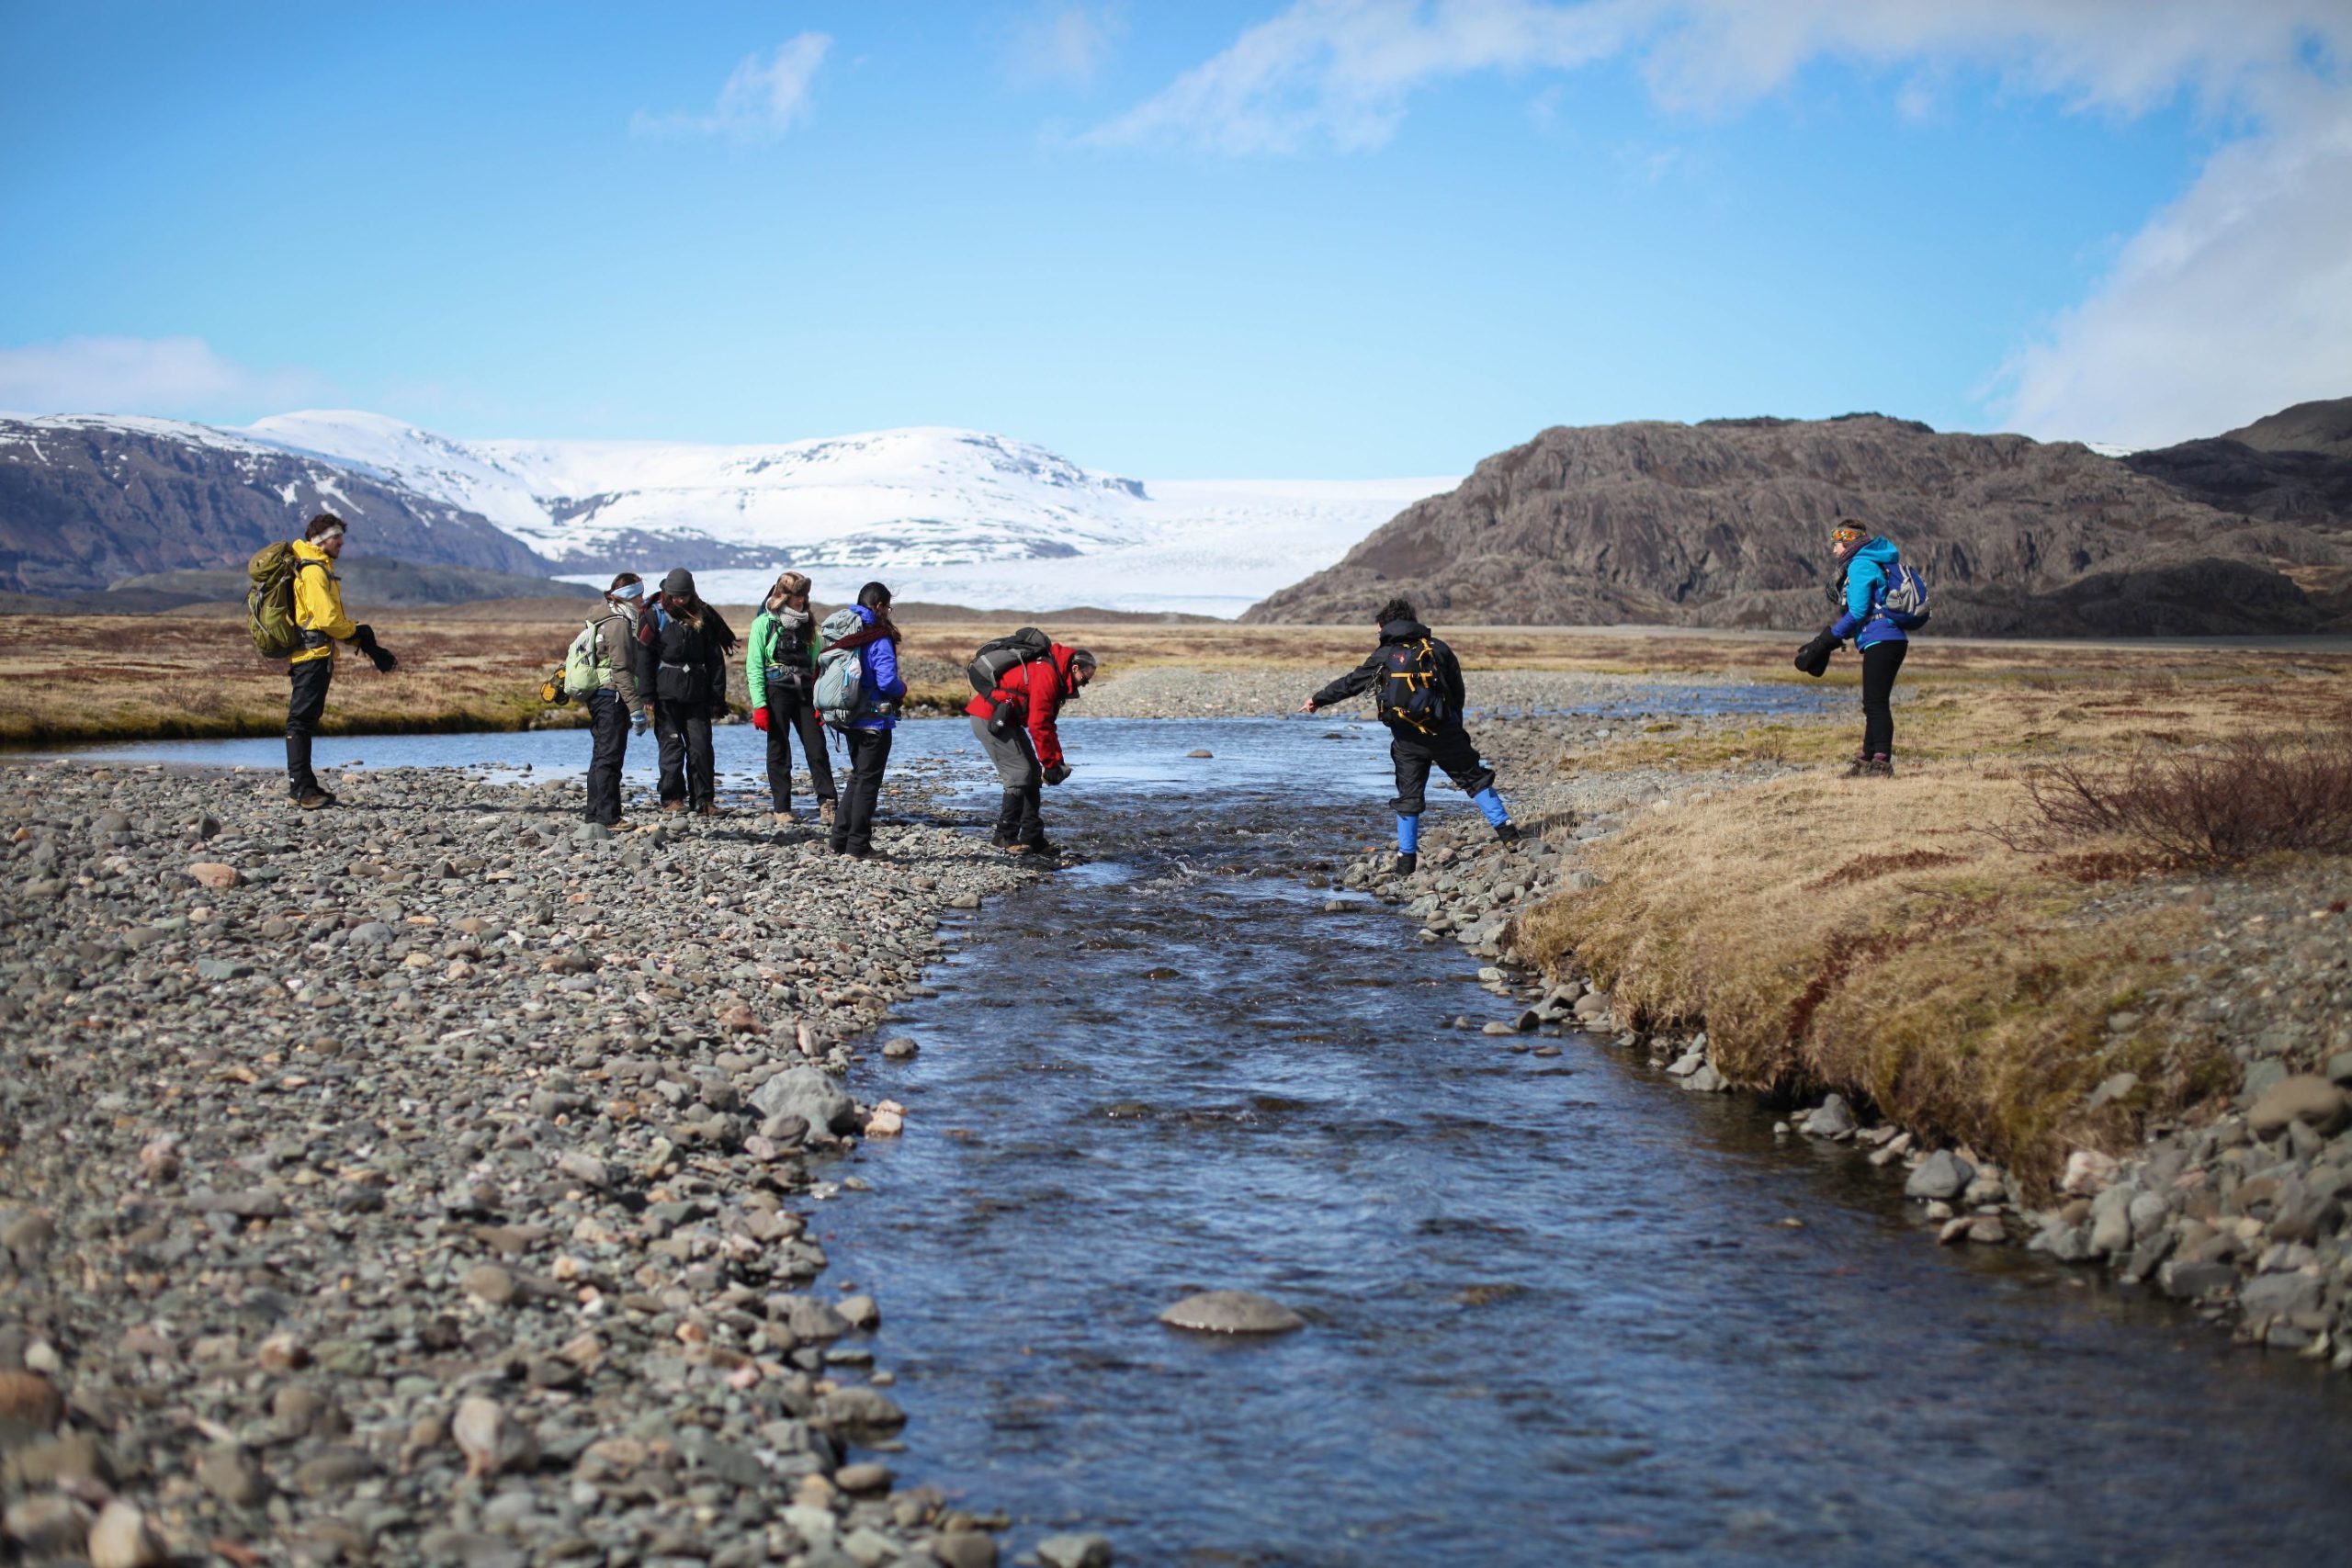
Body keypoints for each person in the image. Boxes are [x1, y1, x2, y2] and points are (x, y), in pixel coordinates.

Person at [1300, 596, 1515, 877]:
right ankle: (1511, 838)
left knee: (1409, 796)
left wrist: (1318, 699)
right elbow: (1457, 693)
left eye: (1378, 629)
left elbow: (1350, 684)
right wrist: (1454, 725)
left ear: (1387, 625)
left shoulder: (1385, 654)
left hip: (1407, 740)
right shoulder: (1438, 648)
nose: (1377, 634)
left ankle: (1406, 862)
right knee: (1475, 779)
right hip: (1446, 732)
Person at [284, 512, 396, 809]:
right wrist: (357, 633)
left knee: (304, 719)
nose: (342, 543)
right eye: (337, 537)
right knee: (301, 720)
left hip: (314, 653)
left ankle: (305, 784)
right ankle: (302, 790)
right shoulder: (314, 572)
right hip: (312, 655)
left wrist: (360, 638)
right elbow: (327, 619)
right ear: (320, 540)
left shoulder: (316, 567)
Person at [966, 640, 1096, 854]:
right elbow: (1038, 724)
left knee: (1033, 772)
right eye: (1084, 680)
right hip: (989, 718)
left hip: (1006, 718)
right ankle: (1004, 837)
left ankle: (1032, 837)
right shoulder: (1047, 675)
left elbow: (1048, 725)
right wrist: (1051, 764)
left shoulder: (1053, 672)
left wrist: (1055, 762)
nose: (1084, 685)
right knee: (1020, 773)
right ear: (1075, 668)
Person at [746, 571, 837, 827]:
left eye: (804, 596)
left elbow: (818, 664)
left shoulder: (808, 623)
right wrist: (759, 705)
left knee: (816, 747)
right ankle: (782, 808)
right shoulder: (764, 623)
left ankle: (828, 803)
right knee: (778, 749)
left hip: (805, 692)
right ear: (784, 595)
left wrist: (821, 701)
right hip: (776, 691)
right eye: (797, 596)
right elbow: (754, 666)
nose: (802, 601)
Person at [647, 568, 737, 815]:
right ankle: (672, 798)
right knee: (672, 747)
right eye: (675, 596)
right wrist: (646, 695)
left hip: (697, 694)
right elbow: (645, 657)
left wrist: (717, 697)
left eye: (684, 596)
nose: (679, 601)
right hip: (665, 694)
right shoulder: (655, 615)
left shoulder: (703, 615)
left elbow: (715, 659)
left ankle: (704, 800)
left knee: (700, 748)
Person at [1824, 522, 1910, 777]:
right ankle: (1868, 758)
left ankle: (1881, 762)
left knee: (1875, 703)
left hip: (1882, 639)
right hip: (1886, 639)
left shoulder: (1861, 565)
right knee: (1872, 702)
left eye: (1836, 544)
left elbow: (1859, 611)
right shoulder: (1870, 562)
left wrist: (1829, 638)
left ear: (1848, 543)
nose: (1834, 550)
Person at [828, 581, 907, 859]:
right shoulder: (878, 636)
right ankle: (858, 844)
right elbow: (886, 680)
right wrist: (903, 690)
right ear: (880, 606)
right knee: (868, 782)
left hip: (846, 715)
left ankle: (839, 840)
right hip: (874, 719)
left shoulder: (844, 628)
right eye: (888, 607)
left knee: (858, 777)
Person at [582, 573, 651, 829]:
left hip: (599, 694)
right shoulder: (619, 623)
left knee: (600, 755)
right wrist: (636, 708)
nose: (642, 600)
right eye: (639, 595)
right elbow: (621, 670)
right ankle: (609, 817)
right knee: (610, 757)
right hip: (611, 695)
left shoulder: (603, 617)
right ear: (628, 596)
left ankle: (595, 814)